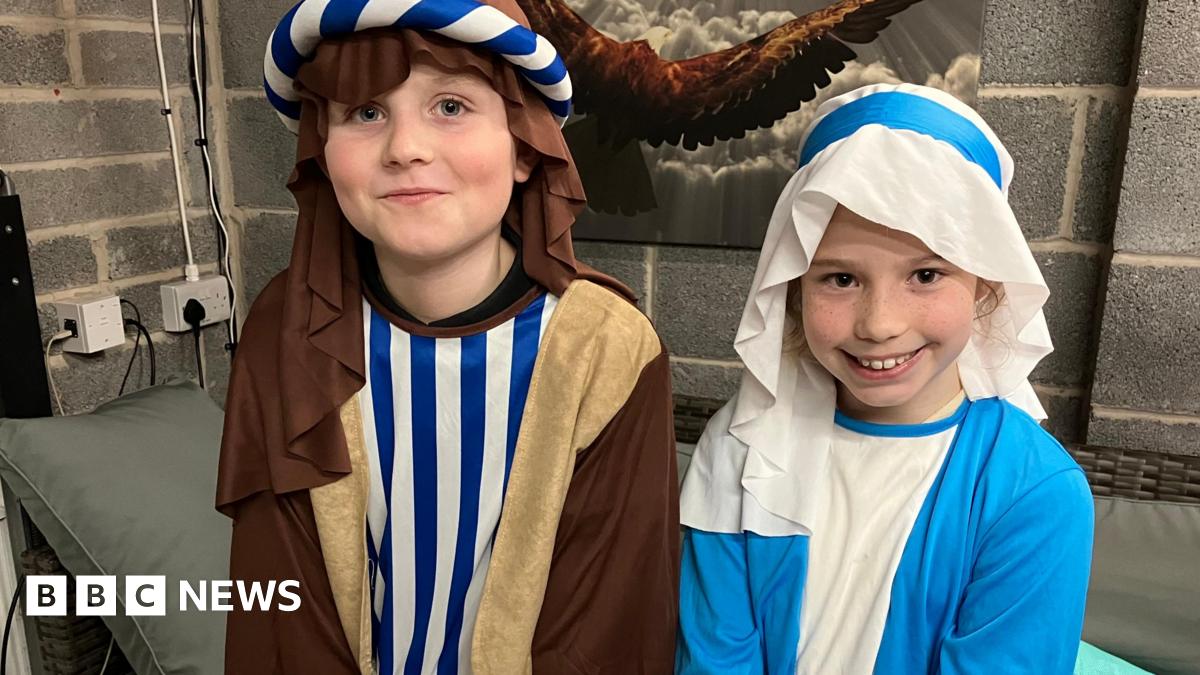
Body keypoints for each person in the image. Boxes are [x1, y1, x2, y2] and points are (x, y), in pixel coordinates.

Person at [215, 1, 679, 672]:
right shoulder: (285, 328)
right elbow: (280, 611)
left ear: (525, 146)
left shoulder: (608, 350)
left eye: (451, 106)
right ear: (322, 146)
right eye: (365, 112)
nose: (405, 148)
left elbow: (604, 631)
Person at [677, 83, 1094, 674]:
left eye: (925, 274)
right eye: (840, 279)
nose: (879, 324)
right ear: (791, 289)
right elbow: (714, 657)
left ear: (986, 286)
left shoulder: (1032, 491)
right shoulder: (740, 450)